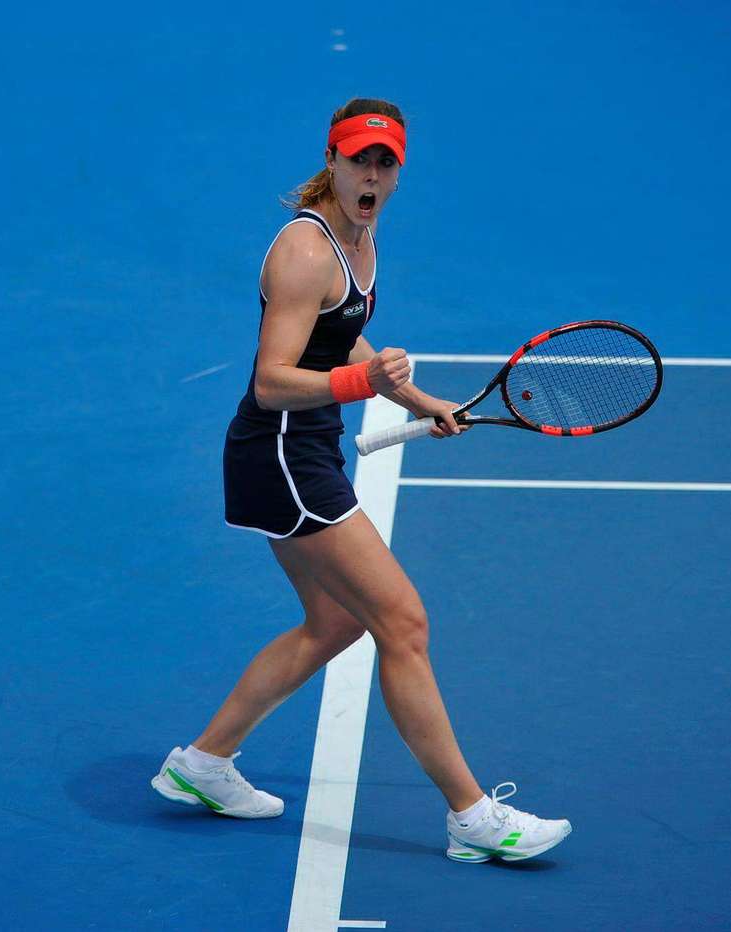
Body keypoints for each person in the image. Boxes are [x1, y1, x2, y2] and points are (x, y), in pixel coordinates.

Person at [150, 98, 572, 863]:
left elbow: (338, 333)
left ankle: (203, 764)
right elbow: (274, 382)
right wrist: (362, 383)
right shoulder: (306, 251)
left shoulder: (361, 232)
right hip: (281, 455)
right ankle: (472, 818)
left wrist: (417, 398)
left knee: (337, 622)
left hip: (305, 446)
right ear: (332, 161)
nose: (372, 175)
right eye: (359, 160)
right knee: (402, 622)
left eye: (385, 163)